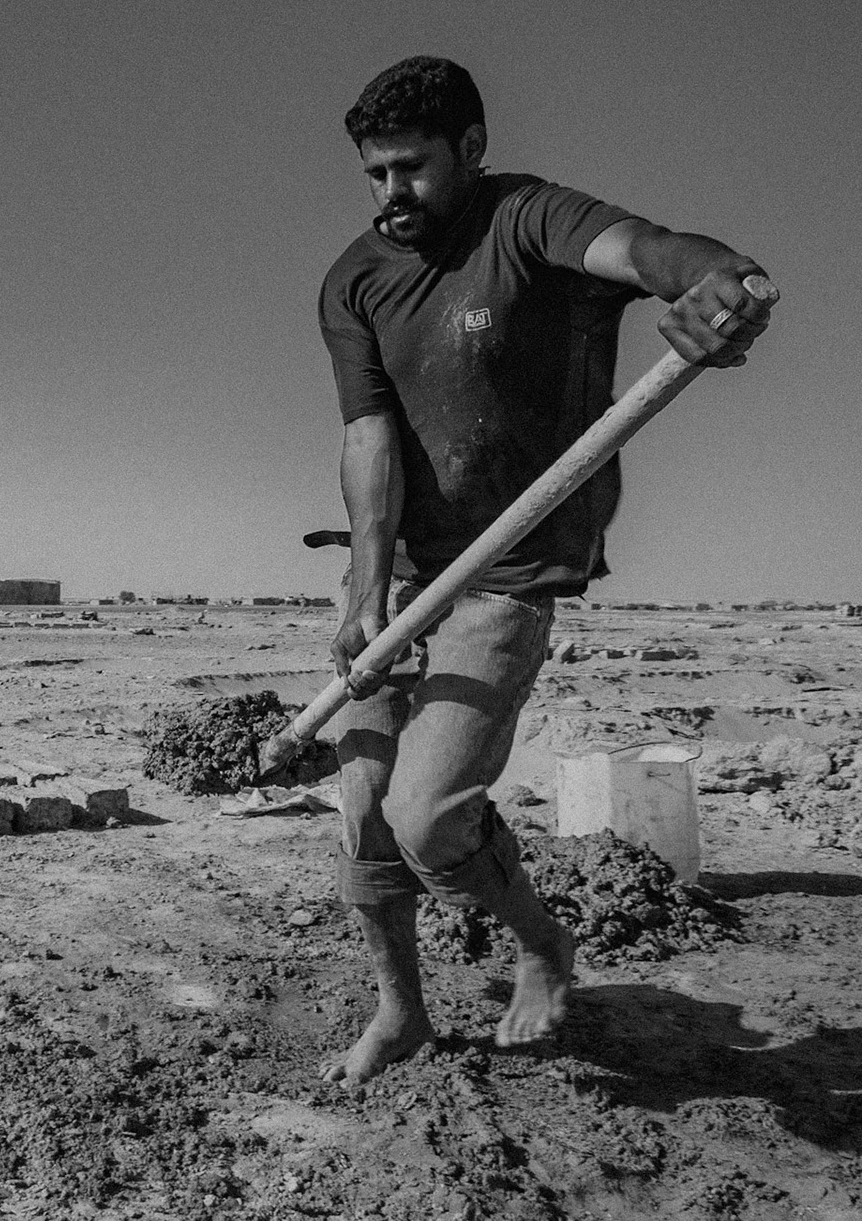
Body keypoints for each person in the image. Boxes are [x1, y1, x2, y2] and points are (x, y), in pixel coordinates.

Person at [314, 56, 774, 1086]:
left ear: (471, 149)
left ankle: (541, 940)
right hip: (408, 574)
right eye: (375, 172)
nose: (392, 194)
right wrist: (364, 596)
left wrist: (722, 278)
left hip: (511, 567)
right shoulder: (355, 279)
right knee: (364, 802)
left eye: (412, 168)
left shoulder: (529, 220)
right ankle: (402, 1011)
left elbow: (653, 250)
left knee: (427, 813)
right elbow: (369, 440)